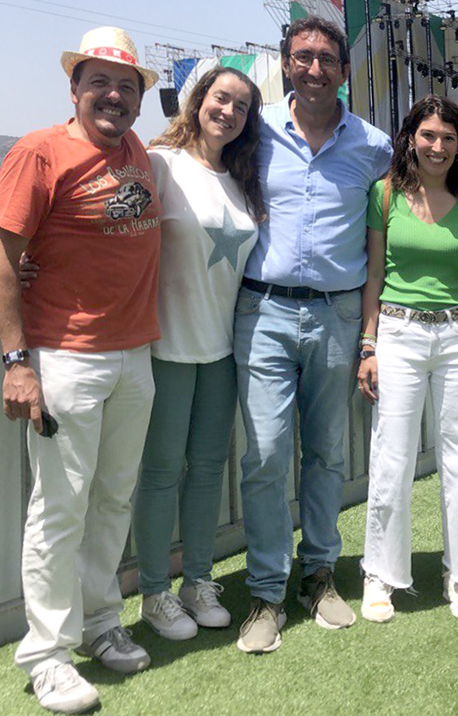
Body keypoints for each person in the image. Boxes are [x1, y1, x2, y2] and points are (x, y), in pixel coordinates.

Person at [0, 26, 161, 713]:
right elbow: (1, 261)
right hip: (65, 357)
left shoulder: (140, 151)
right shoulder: (39, 151)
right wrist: (16, 362)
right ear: (74, 89)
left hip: (134, 354)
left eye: (126, 86)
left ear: (140, 98)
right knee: (60, 508)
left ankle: (99, 622)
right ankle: (46, 655)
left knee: (112, 498)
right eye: (100, 83)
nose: (114, 96)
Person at [233, 16, 392, 653]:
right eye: (303, 57)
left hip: (338, 315)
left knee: (327, 453)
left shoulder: (374, 146)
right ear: (285, 63)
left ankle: (319, 574)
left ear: (345, 71)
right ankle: (267, 590)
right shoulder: (254, 129)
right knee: (267, 454)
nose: (315, 69)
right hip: (263, 311)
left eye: (327, 59)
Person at [132, 67, 264, 639]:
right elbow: (113, 230)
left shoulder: (242, 179)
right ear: (198, 100)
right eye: (220, 98)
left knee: (209, 470)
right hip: (165, 346)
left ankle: (198, 582)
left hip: (221, 351)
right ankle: (154, 592)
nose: (228, 112)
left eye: (241, 106)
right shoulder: (160, 164)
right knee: (162, 473)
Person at [357, 95, 458, 622]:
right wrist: (368, 344)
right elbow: (374, 275)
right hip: (397, 335)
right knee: (391, 459)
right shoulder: (384, 195)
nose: (438, 147)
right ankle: (380, 574)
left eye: (449, 138)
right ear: (410, 138)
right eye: (428, 136)